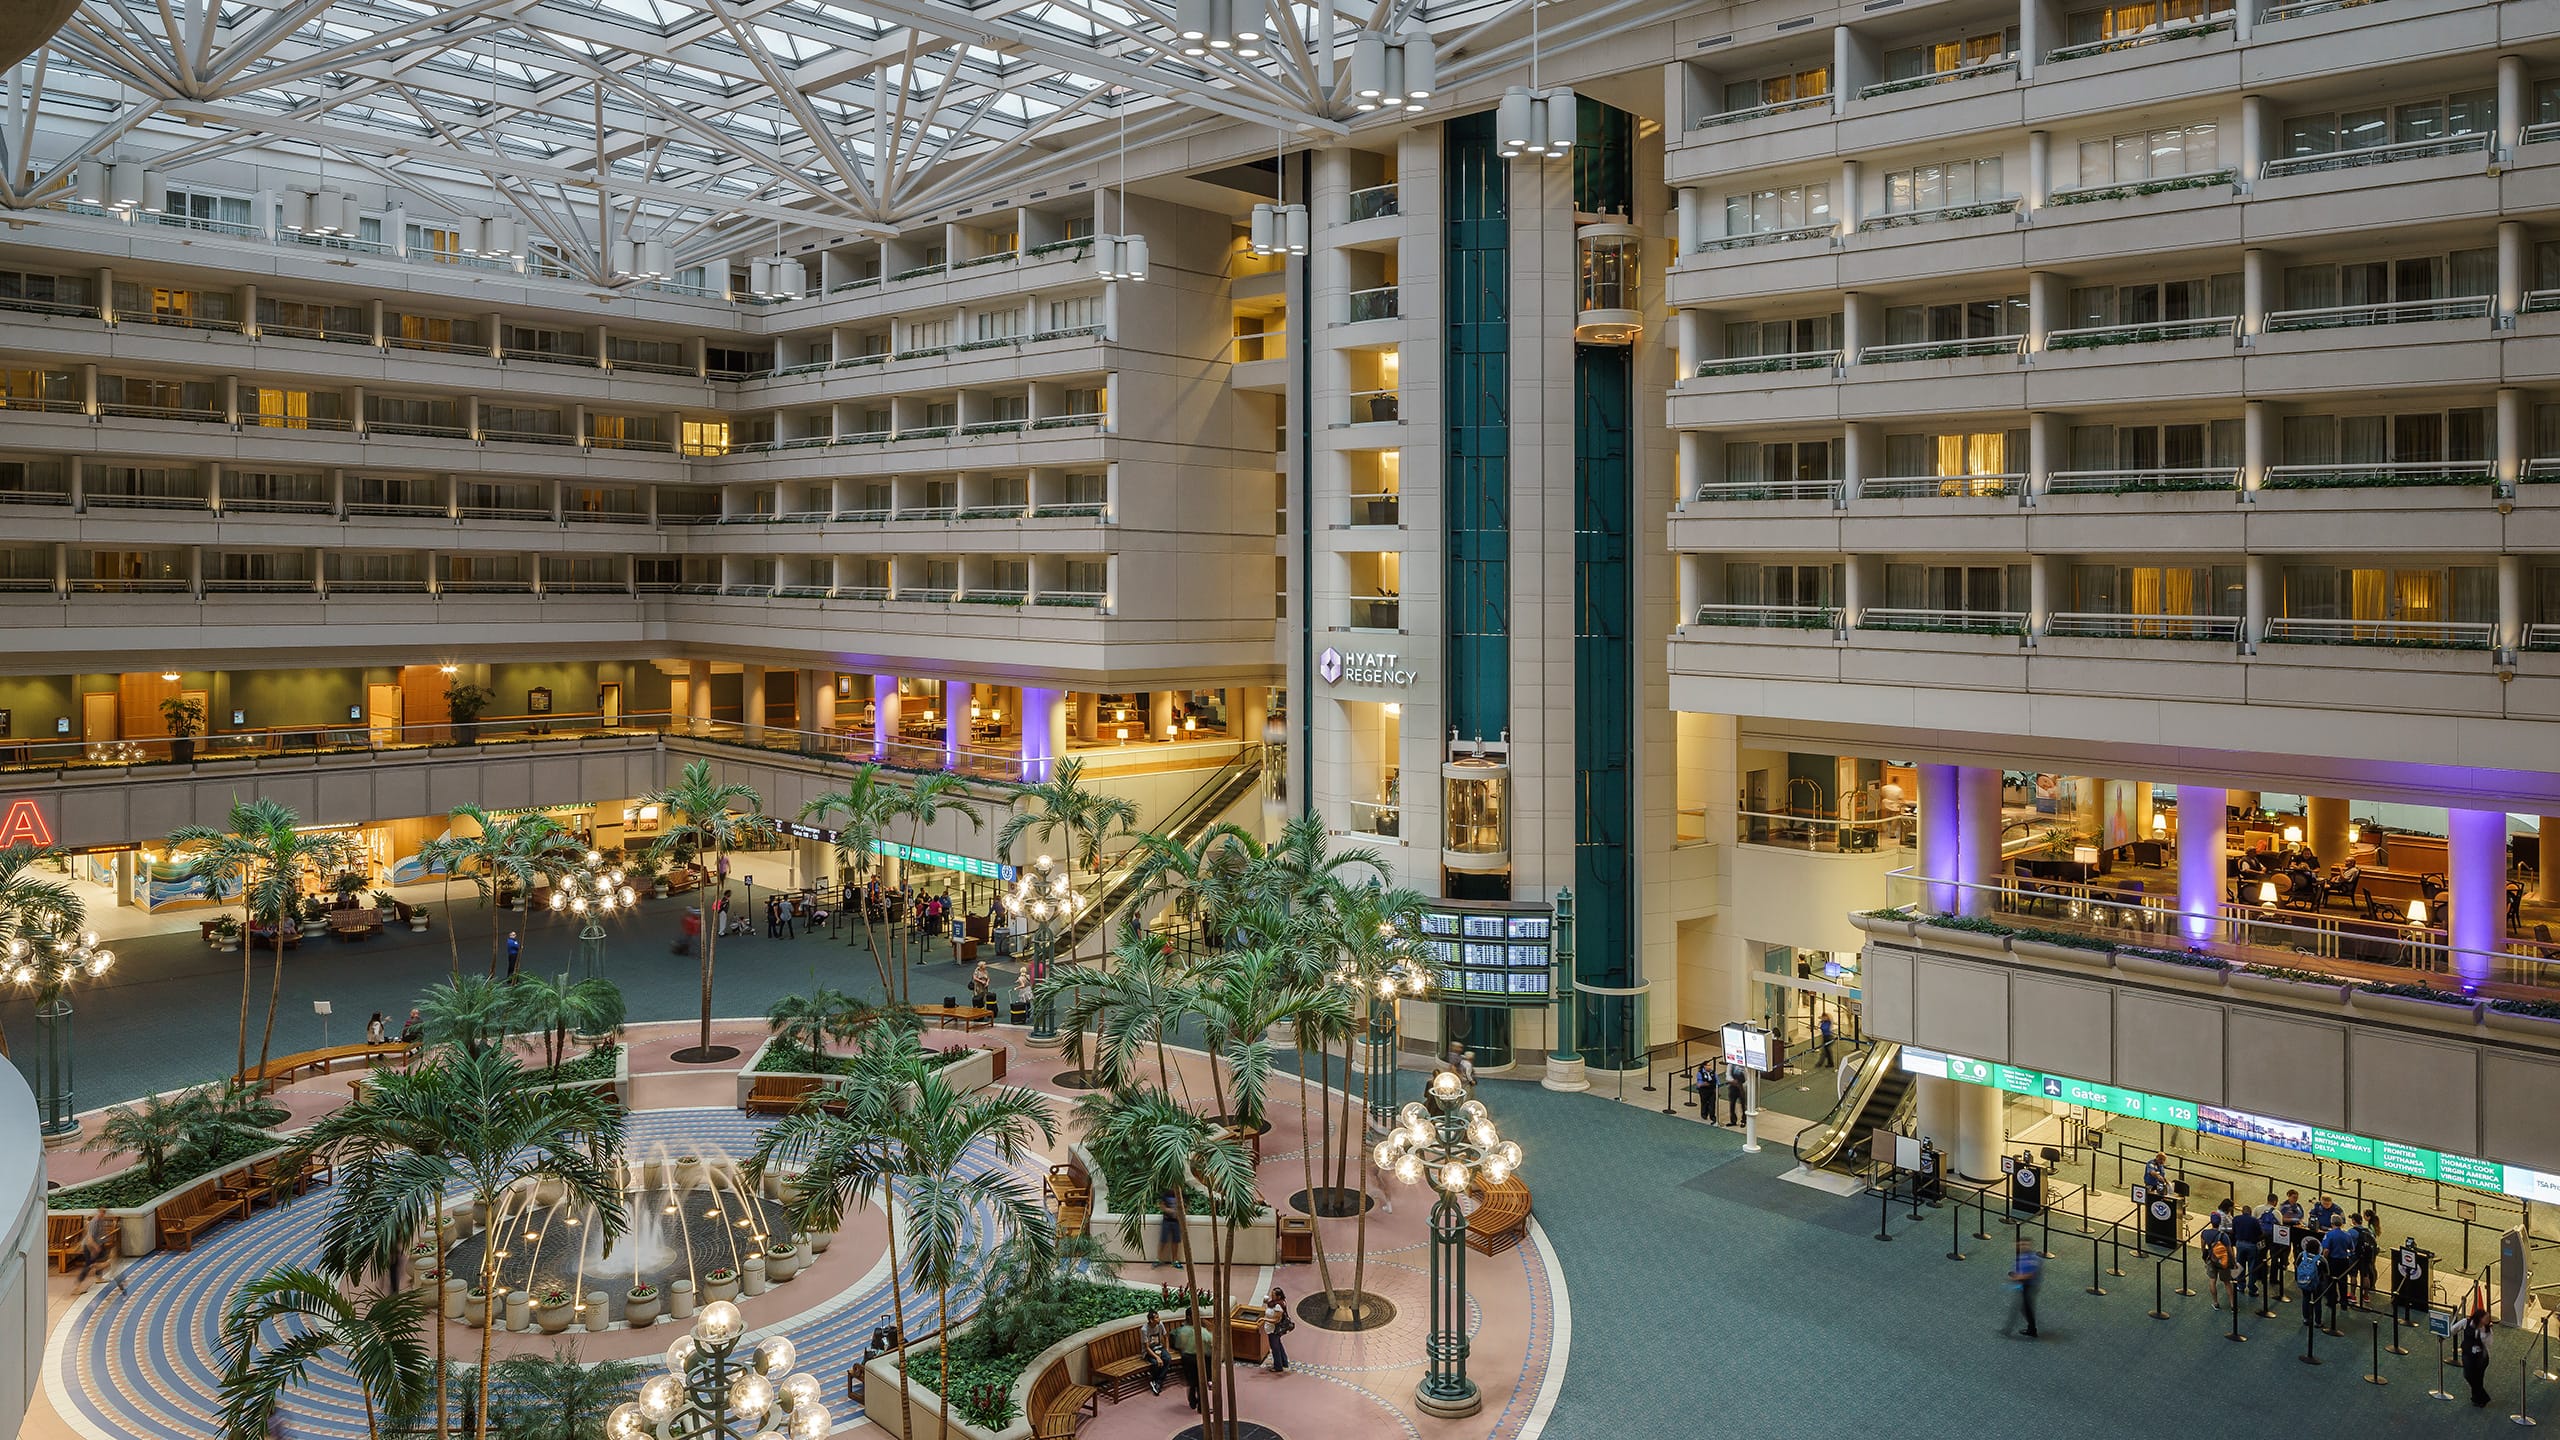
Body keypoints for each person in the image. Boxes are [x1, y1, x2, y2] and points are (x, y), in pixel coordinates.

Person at [2001, 1235, 2043, 1339]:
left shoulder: (2033, 1259)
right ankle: (2031, 1329)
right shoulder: (2020, 1256)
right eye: (2020, 1245)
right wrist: (2014, 1274)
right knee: (2023, 1308)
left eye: (2025, 1244)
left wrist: (2016, 1277)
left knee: (2023, 1307)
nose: (2022, 1247)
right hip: (2022, 1285)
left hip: (2030, 1286)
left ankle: (2010, 1330)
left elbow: (2030, 1274)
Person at [2457, 1305, 2494, 1407]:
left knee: (2478, 1377)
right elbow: (2453, 1329)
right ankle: (2483, 1397)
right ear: (2479, 1318)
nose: (2488, 1320)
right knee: (2468, 1375)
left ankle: (2477, 1399)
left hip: (2481, 1357)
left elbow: (2490, 1343)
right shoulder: (2466, 1322)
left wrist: (2483, 1336)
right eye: (2486, 1318)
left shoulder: (2487, 1329)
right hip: (2468, 1353)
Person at [2230, 1201, 2263, 1296]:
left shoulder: (2236, 1219)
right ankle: (2252, 1288)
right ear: (2250, 1212)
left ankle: (2240, 1285)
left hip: (2240, 1244)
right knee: (2252, 1267)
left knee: (2239, 1264)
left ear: (2242, 1212)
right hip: (2251, 1245)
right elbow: (2260, 1233)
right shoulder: (2254, 1221)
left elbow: (2233, 1231)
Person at [1170, 1315, 1202, 1409]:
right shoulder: (1187, 1330)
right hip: (1191, 1358)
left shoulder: (1183, 1328)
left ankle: (1193, 1402)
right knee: (1199, 1383)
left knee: (1192, 1383)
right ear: (1189, 1317)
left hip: (1186, 1358)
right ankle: (1201, 1406)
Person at [1139, 1310, 1172, 1395]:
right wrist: (1157, 1357)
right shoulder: (1144, 1329)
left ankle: (1157, 1382)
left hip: (1159, 1347)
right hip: (1149, 1351)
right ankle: (1157, 1382)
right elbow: (1147, 1348)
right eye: (1156, 1317)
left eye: (1158, 1316)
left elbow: (1166, 1337)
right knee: (1155, 1363)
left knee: (1168, 1358)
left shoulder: (1160, 1324)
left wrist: (1167, 1350)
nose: (1159, 1319)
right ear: (1151, 1320)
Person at [2202, 1215, 2231, 1310]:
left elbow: (2203, 1247)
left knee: (2212, 1280)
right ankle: (2232, 1305)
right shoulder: (2224, 1236)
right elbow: (2229, 1251)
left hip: (2211, 1259)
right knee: (2227, 1282)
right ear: (2220, 1223)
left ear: (2211, 1222)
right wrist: (2233, 1262)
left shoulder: (2205, 1233)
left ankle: (2215, 1303)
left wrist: (2205, 1256)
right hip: (2223, 1260)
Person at [1262, 1287, 1293, 1373]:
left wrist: (1264, 1319)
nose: (1271, 1296)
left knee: (1275, 1348)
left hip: (1274, 1329)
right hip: (1272, 1329)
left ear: (1278, 1296)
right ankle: (1284, 1362)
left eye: (1273, 1295)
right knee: (1278, 1345)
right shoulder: (1277, 1303)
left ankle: (1278, 1366)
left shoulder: (1278, 1306)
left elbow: (1276, 1320)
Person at [1156, 1194, 1182, 1268]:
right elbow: (1162, 1206)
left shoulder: (1180, 1194)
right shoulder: (1165, 1194)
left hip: (1176, 1221)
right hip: (1166, 1220)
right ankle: (1158, 1259)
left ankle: (1175, 1260)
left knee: (1176, 1241)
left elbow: (1185, 1206)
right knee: (1163, 1240)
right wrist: (1173, 1211)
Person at [1725, 1061, 1749, 1127]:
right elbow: (1728, 1075)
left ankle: (1744, 1121)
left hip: (1741, 1088)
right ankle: (1733, 1121)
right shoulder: (1731, 1065)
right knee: (1732, 1105)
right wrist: (1733, 1081)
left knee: (1743, 1105)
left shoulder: (1744, 1066)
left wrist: (1742, 1086)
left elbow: (1747, 1077)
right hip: (1732, 1087)